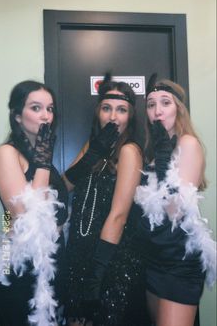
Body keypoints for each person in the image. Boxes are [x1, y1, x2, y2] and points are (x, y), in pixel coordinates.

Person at [62, 73, 151, 326]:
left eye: (121, 110)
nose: (113, 117)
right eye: (107, 109)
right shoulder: (93, 144)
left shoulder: (129, 151)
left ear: (130, 116)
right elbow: (63, 187)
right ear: (97, 112)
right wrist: (93, 154)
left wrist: (96, 276)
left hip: (109, 260)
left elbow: (119, 215)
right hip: (79, 253)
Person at [0, 80, 68, 326]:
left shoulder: (41, 158)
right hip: (19, 262)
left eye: (50, 109)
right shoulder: (6, 153)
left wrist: (92, 156)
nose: (45, 116)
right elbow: (26, 215)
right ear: (17, 115)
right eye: (36, 108)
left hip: (50, 259)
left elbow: (58, 193)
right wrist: (43, 158)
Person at [134, 74, 216, 326]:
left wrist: (162, 161)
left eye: (165, 103)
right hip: (153, 257)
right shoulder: (151, 151)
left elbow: (175, 213)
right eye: (150, 104)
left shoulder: (187, 144)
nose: (157, 111)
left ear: (179, 109)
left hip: (179, 261)